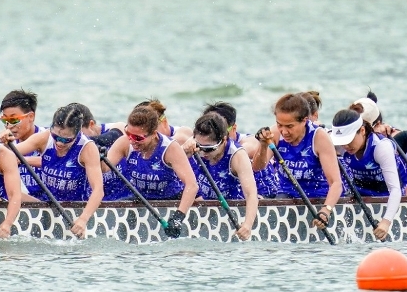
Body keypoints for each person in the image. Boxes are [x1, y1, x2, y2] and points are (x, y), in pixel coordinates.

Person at [8, 104, 104, 238]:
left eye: (66, 140)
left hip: (76, 207)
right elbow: (6, 155)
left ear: (77, 133)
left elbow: (98, 190)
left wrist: (83, 220)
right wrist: (5, 142)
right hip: (46, 203)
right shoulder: (44, 138)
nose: (59, 143)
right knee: (11, 194)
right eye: (56, 136)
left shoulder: (87, 148)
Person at [253, 93, 342, 232]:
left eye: (289, 126)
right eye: (279, 125)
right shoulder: (274, 133)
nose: (284, 131)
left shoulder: (319, 137)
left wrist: (326, 210)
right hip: (286, 195)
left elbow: (336, 183)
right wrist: (263, 146)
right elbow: (257, 167)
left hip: (319, 198)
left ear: (304, 120)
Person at [105, 104, 199, 230]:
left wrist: (178, 218)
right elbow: (104, 168)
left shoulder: (170, 148)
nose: (132, 141)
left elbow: (192, 185)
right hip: (141, 199)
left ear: (154, 134)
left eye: (138, 138)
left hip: (172, 200)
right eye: (128, 134)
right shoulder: (124, 142)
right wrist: (97, 156)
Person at [328, 107, 405, 240]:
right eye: (341, 141)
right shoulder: (334, 142)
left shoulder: (381, 147)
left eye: (349, 140)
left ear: (362, 131)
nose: (345, 146)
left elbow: (395, 189)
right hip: (359, 191)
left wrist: (386, 222)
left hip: (388, 193)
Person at [186, 112, 257, 240]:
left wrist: (247, 225)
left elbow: (251, 194)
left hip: (234, 212)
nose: (202, 152)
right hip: (207, 209)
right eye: (199, 147)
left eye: (208, 148)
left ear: (224, 140)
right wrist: (183, 151)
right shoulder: (192, 147)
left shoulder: (237, 156)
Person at [199, 101, 278, 197]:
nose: (215, 137)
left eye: (220, 131)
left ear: (234, 128)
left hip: (264, 195)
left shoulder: (247, 143)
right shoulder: (205, 144)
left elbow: (250, 148)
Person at [0, 90, 43, 191]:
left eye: (14, 120)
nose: (9, 126)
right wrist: (4, 149)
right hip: (25, 198)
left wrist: (22, 160)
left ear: (31, 117)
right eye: (5, 120)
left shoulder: (49, 137)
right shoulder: (6, 144)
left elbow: (59, 162)